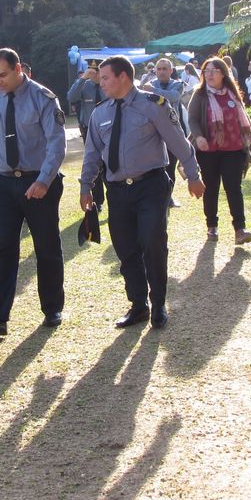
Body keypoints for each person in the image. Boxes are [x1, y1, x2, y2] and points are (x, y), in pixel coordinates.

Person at [80, 55, 205, 330]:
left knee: (152, 242)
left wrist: (193, 176)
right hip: (116, 190)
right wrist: (85, 186)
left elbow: (179, 142)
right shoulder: (100, 113)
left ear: (123, 77)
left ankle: (158, 303)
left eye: (105, 78)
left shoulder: (153, 105)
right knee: (125, 248)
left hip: (150, 185)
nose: (101, 83)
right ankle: (138, 306)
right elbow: (92, 154)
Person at [0, 48, 67, 336]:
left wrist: (44, 181)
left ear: (18, 69)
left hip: (38, 182)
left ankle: (52, 308)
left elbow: (56, 144)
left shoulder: (43, 98)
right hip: (1, 185)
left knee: (46, 247)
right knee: (0, 249)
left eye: (3, 75)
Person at [187, 57, 251, 245]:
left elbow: (243, 118)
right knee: (211, 188)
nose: (210, 74)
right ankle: (212, 225)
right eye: (206, 71)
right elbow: (192, 119)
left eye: (214, 70)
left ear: (223, 73)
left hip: (234, 149)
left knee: (234, 188)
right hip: (208, 150)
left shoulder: (232, 93)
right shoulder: (200, 95)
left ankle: (240, 229)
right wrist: (199, 137)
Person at [139, 58, 187, 208]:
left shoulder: (178, 84)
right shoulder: (149, 84)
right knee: (153, 167)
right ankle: (155, 198)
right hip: (152, 132)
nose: (161, 72)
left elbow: (172, 97)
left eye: (165, 69)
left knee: (170, 167)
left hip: (171, 132)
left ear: (171, 71)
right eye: (159, 69)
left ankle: (168, 197)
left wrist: (152, 91)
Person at [66, 64, 106, 208]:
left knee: (109, 163)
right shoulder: (84, 85)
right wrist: (83, 78)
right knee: (93, 162)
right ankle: (98, 200)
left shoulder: (108, 85)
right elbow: (71, 96)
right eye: (92, 72)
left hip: (108, 129)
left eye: (97, 72)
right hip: (89, 129)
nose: (94, 75)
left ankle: (114, 198)